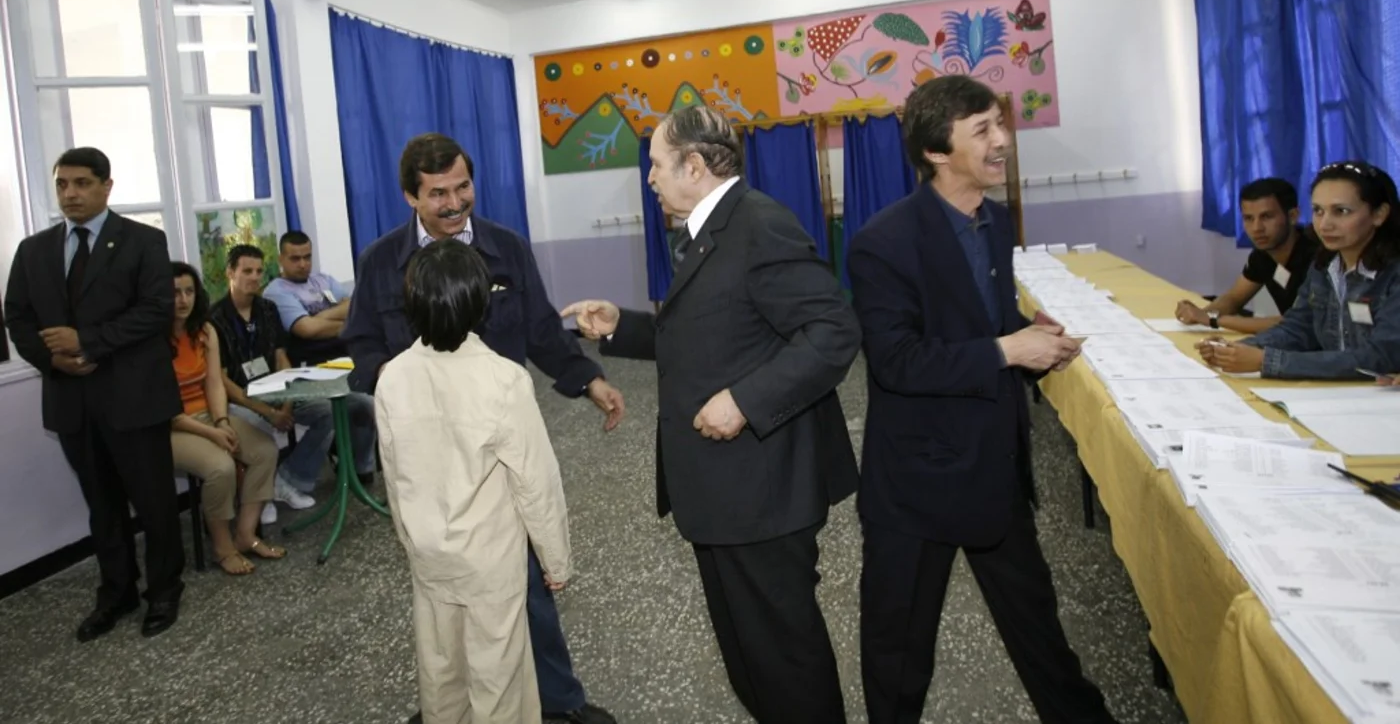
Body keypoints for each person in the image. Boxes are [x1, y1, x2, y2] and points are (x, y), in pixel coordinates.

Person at [562, 105, 861, 724]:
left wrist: (746, 402)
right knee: (752, 659)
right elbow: (716, 330)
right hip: (726, 493)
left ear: (694, 166)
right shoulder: (711, 228)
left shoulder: (759, 226)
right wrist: (623, 327)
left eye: (656, 165)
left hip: (763, 490)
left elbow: (834, 331)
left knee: (786, 661)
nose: (649, 179)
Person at [846, 76, 1117, 724]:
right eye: (983, 130)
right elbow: (895, 360)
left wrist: (1033, 336)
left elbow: (981, 322)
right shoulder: (882, 242)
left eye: (1001, 125)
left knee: (1042, 636)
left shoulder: (995, 223)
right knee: (899, 656)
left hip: (994, 467)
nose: (1002, 143)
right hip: (916, 483)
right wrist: (1007, 350)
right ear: (937, 152)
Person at [343, 132, 620, 724]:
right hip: (428, 459)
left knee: (523, 585)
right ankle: (455, 705)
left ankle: (557, 702)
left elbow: (543, 328)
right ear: (410, 197)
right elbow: (363, 345)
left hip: (495, 454)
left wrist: (588, 379)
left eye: (463, 187)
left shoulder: (507, 249)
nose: (454, 203)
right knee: (443, 605)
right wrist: (401, 382)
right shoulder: (380, 264)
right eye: (438, 192)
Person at [377, 240, 572, 724]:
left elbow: (394, 475)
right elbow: (536, 483)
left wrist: (411, 542)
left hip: (428, 554)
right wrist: (556, 558)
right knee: (498, 676)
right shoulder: (503, 380)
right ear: (481, 302)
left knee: (441, 672)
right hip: (489, 561)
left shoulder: (392, 377)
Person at [3, 147, 186, 639]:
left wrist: (87, 341)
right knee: (102, 507)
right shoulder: (34, 250)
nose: (70, 194)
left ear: (107, 186)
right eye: (63, 184)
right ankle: (117, 593)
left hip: (134, 398)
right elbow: (17, 317)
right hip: (72, 400)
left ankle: (164, 591)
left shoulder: (143, 241)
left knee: (153, 503)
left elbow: (154, 310)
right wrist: (52, 359)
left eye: (82, 183)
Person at [212, 245, 378, 512]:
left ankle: (292, 479)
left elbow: (281, 358)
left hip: (281, 389)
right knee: (269, 426)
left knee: (344, 408)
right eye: (247, 271)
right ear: (230, 272)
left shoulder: (266, 309)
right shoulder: (215, 320)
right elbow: (221, 382)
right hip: (242, 399)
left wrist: (287, 402)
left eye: (258, 271)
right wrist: (268, 411)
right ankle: (265, 492)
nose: (254, 277)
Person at [1198, 161, 1400, 379]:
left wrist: (1266, 360)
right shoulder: (1324, 265)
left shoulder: (1393, 273)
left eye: (1341, 211)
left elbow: (1380, 357)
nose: (1324, 224)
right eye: (1318, 211)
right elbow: (1298, 327)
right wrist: (1237, 348)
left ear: (1379, 214)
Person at [168, 262, 285, 575]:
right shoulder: (152, 340)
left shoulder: (204, 331)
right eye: (174, 292)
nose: (182, 299)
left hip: (209, 414)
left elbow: (214, 383)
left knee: (264, 450)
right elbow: (165, 409)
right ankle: (222, 547)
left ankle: (245, 534)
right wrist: (212, 434)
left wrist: (220, 422)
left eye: (189, 291)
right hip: (172, 425)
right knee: (221, 467)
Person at [1176, 177, 1319, 334]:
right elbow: (1234, 298)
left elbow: (1297, 323)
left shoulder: (1316, 258)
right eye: (1248, 218)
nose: (1257, 228)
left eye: (1267, 217)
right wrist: (1202, 313)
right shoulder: (1262, 255)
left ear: (1292, 216)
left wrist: (1213, 319)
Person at [262, 230, 353, 367]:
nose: (303, 264)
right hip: (311, 359)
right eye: (295, 259)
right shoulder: (276, 291)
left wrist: (319, 317)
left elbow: (351, 307)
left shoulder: (323, 279)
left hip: (345, 352)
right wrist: (350, 325)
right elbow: (307, 329)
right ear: (281, 260)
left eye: (307, 257)